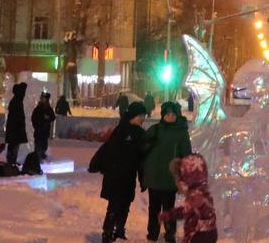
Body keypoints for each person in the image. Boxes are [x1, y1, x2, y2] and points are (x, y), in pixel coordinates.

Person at [89, 101, 147, 243]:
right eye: (140, 115)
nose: (142, 119)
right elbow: (110, 151)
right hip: (116, 176)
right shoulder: (121, 130)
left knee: (125, 204)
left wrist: (142, 179)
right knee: (114, 205)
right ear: (133, 116)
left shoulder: (139, 133)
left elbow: (141, 158)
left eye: (143, 115)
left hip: (128, 176)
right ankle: (107, 232)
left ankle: (119, 230)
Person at [140, 101, 191, 243]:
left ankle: (170, 235)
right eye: (167, 114)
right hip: (153, 177)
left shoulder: (181, 132)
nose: (170, 117)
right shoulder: (155, 129)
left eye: (173, 114)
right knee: (153, 208)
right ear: (163, 115)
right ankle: (152, 234)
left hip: (169, 179)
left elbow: (187, 155)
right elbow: (142, 146)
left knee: (168, 209)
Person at [160, 153, 217, 243]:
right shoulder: (193, 194)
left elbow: (208, 214)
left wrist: (201, 206)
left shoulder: (199, 195)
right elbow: (186, 211)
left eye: (180, 179)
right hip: (195, 235)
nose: (177, 183)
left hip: (201, 236)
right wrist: (171, 214)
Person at [4, 81, 29, 166]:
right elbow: (16, 117)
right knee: (13, 145)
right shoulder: (16, 101)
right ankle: (11, 162)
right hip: (15, 129)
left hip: (14, 129)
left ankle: (12, 161)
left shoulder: (16, 100)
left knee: (14, 145)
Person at [31, 91, 56, 161]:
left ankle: (41, 156)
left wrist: (48, 118)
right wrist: (36, 125)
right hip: (39, 130)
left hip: (45, 131)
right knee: (38, 145)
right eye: (42, 98)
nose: (43, 100)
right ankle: (37, 158)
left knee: (44, 145)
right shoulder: (38, 108)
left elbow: (53, 117)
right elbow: (33, 118)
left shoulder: (48, 109)